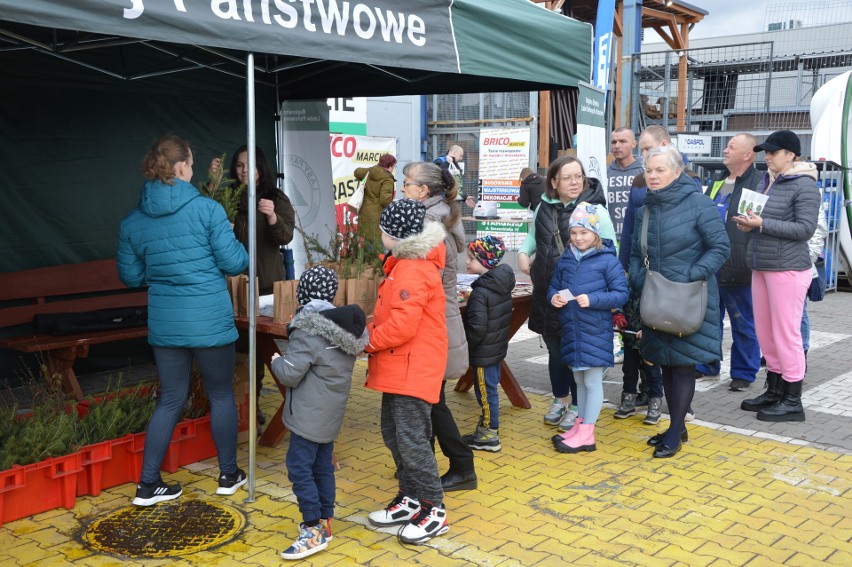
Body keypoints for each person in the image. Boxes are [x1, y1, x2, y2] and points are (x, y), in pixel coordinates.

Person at [117, 135, 249, 505]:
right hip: (208, 317)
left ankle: (147, 485)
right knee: (221, 394)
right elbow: (235, 263)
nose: (193, 169)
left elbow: (130, 276)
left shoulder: (132, 222)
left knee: (170, 399)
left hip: (166, 323)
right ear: (180, 168)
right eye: (191, 163)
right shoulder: (207, 211)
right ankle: (228, 475)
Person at [629, 146, 729, 458]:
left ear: (677, 172)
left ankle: (674, 432)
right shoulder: (646, 207)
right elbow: (635, 251)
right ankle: (677, 426)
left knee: (683, 364)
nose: (653, 176)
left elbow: (720, 246)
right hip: (657, 298)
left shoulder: (698, 203)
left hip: (688, 298)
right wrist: (638, 281)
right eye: (649, 170)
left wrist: (691, 274)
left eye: (660, 170)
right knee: (666, 363)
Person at [365, 199, 450, 544]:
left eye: (384, 230)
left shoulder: (413, 269)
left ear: (395, 235)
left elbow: (402, 326)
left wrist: (367, 341)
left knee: (413, 441)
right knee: (395, 434)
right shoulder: (402, 264)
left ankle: (434, 509)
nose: (380, 235)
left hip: (412, 367)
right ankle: (411, 498)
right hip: (400, 365)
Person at [270, 267, 368, 560]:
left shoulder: (308, 330)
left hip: (307, 416)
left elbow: (290, 374)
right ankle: (325, 521)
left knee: (299, 467)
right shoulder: (344, 329)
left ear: (303, 294)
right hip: (330, 413)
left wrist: (277, 360)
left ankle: (311, 529)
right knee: (322, 465)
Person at [516, 156, 616, 432]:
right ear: (553, 182)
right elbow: (533, 237)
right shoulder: (543, 207)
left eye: (578, 176)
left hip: (579, 299)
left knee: (576, 354)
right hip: (548, 293)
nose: (574, 182)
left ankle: (576, 407)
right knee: (555, 351)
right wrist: (524, 253)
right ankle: (560, 400)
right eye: (567, 177)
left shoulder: (595, 210)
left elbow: (610, 252)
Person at [735, 130, 821, 423]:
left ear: (791, 155)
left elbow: (805, 230)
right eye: (766, 152)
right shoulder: (767, 180)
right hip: (762, 265)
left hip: (788, 269)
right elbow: (765, 222)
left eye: (773, 152)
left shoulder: (805, 186)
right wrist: (751, 225)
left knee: (786, 334)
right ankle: (774, 390)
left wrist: (763, 223)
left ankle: (793, 400)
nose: (767, 156)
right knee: (767, 332)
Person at [401, 161, 476, 492]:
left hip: (433, 322)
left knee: (431, 400)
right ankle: (428, 463)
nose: (401, 188)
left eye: (406, 183)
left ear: (422, 191)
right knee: (429, 398)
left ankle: (461, 466)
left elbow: (423, 283)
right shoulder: (439, 216)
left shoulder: (430, 226)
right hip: (438, 319)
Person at [213, 146, 296, 425]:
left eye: (249, 165)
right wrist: (213, 185)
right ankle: (239, 410)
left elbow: (285, 236)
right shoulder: (229, 199)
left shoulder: (276, 198)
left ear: (261, 167)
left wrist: (272, 217)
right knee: (237, 353)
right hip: (231, 287)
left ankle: (252, 408)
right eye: (238, 165)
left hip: (266, 287)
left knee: (260, 350)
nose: (243, 170)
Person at [614, 126, 682, 424]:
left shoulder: (684, 182)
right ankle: (637, 392)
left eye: (646, 149)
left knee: (657, 343)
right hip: (639, 277)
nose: (643, 158)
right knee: (633, 340)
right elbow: (629, 234)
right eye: (641, 151)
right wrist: (623, 270)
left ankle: (668, 399)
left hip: (666, 282)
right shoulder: (639, 185)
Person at [548, 203, 628, 453]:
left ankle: (587, 434)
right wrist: (554, 298)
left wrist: (593, 300)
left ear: (595, 233)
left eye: (584, 232)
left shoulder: (607, 260)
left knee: (592, 381)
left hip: (594, 330)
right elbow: (554, 285)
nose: (578, 238)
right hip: (572, 329)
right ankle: (580, 425)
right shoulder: (567, 258)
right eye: (574, 233)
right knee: (579, 380)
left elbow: (621, 295)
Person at [696, 134, 763, 391]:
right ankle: (707, 365)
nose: (725, 150)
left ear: (747, 154)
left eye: (731, 147)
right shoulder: (718, 184)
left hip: (740, 266)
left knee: (743, 322)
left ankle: (744, 373)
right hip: (713, 265)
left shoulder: (758, 184)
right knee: (709, 319)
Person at [461, 235, 515, 453]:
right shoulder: (499, 284)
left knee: (485, 393)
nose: (466, 262)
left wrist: (465, 346)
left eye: (471, 258)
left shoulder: (481, 293)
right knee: (490, 390)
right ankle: (487, 428)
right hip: (495, 349)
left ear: (485, 261)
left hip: (483, 352)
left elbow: (477, 329)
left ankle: (489, 434)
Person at [607, 127, 643, 241]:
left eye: (622, 141)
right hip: (609, 238)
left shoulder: (644, 172)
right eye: (613, 142)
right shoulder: (604, 173)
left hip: (636, 238)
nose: (617, 146)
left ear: (634, 144)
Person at [353, 153, 397, 243]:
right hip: (378, 217)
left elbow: (356, 171)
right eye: (394, 166)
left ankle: (367, 258)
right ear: (389, 166)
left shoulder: (369, 171)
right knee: (377, 247)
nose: (393, 169)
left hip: (365, 212)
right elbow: (385, 200)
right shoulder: (387, 179)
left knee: (367, 242)